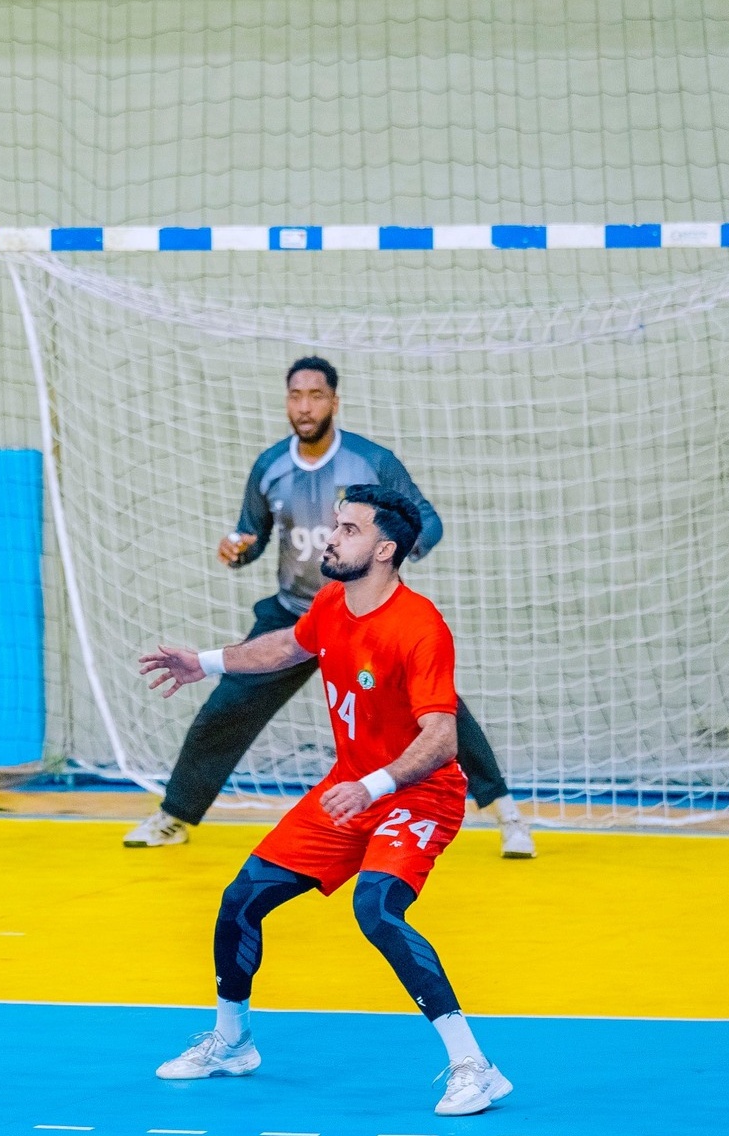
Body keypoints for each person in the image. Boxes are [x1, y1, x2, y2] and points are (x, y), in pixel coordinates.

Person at [139, 485, 513, 1117]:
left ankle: (475, 1067)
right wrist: (205, 662)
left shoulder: (420, 628)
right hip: (350, 789)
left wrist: (374, 786)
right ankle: (231, 1043)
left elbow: (443, 740)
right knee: (241, 899)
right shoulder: (336, 602)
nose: (329, 538)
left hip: (415, 796)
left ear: (386, 548)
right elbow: (288, 645)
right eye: (334, 526)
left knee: (377, 910)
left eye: (347, 529)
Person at [124, 357, 535, 859]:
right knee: (225, 710)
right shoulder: (270, 466)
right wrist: (239, 549)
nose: (305, 405)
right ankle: (175, 815)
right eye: (296, 395)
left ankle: (506, 813)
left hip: (364, 615)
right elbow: (252, 535)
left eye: (316, 395)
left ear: (334, 402)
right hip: (294, 614)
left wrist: (392, 555)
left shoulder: (372, 463)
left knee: (439, 714)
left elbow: (425, 519)